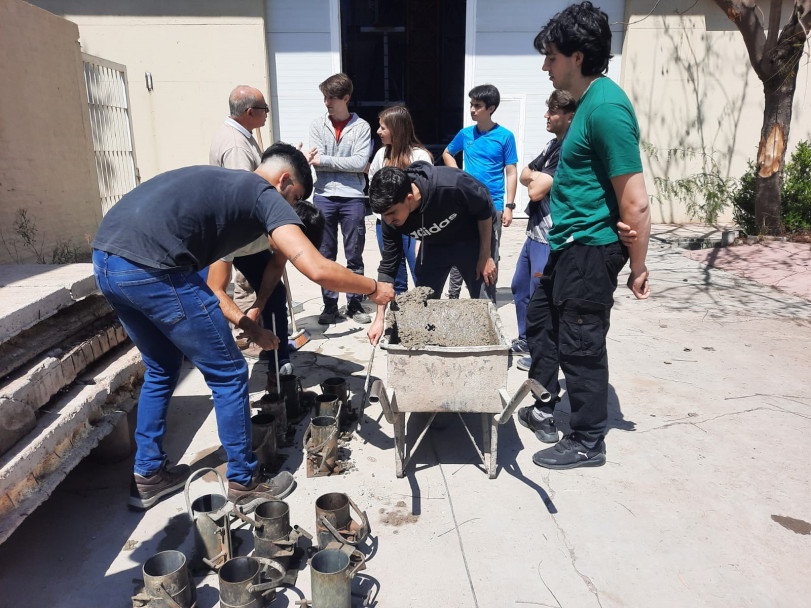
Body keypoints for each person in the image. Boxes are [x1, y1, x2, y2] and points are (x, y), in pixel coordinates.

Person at [92, 143, 394, 509]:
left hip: (107, 261)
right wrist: (374, 288)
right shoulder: (262, 195)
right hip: (153, 266)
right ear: (285, 181)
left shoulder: (225, 188)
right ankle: (244, 481)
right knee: (229, 372)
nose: (290, 209)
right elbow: (316, 269)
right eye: (294, 197)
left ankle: (149, 474)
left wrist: (251, 325)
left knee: (161, 367)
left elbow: (253, 273)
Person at [518, 1, 650, 471]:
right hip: (568, 244)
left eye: (551, 56)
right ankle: (546, 405)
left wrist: (638, 264)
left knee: (581, 342)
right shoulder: (587, 104)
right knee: (541, 323)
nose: (545, 66)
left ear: (577, 56)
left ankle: (588, 440)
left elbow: (634, 198)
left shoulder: (608, 108)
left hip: (592, 249)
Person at [209, 85, 293, 374]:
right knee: (270, 294)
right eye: (265, 110)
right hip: (242, 235)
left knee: (271, 291)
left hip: (243, 235)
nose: (267, 114)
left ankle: (274, 352)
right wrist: (270, 232)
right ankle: (277, 359)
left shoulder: (239, 136)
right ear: (250, 112)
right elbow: (246, 196)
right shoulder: (235, 146)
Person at [366, 162, 497, 345]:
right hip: (435, 243)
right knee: (423, 298)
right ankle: (429, 345)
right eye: (384, 215)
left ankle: (488, 349)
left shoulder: (452, 184)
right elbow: (389, 264)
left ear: (409, 198)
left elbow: (484, 211)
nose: (388, 220)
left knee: (483, 294)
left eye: (391, 213)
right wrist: (379, 318)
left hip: (472, 237)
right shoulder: (391, 219)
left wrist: (486, 255)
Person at [511, 90, 576, 363]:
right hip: (534, 233)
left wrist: (535, 178)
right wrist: (536, 177)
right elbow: (526, 174)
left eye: (553, 111)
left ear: (570, 116)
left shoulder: (569, 149)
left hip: (551, 235)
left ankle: (543, 350)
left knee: (541, 296)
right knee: (519, 287)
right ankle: (527, 339)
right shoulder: (551, 145)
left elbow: (535, 190)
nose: (546, 115)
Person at [307, 73, 373, 324]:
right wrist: (324, 163)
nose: (326, 102)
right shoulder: (317, 125)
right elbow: (320, 161)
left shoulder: (362, 127)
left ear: (346, 98)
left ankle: (355, 304)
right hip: (323, 195)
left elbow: (359, 163)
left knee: (354, 252)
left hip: (352, 197)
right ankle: (329, 305)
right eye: (324, 97)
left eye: (332, 98)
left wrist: (323, 161)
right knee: (325, 254)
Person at [442, 84, 518, 302]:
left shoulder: (505, 136)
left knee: (490, 253)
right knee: (460, 248)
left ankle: (488, 300)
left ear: (491, 108)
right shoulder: (466, 134)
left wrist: (509, 207)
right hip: (466, 204)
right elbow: (448, 152)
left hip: (493, 204)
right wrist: (458, 177)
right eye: (471, 105)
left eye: (478, 106)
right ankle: (453, 298)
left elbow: (511, 172)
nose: (472, 109)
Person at [368, 105, 433, 295]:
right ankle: (398, 314)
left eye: (383, 127)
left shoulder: (419, 156)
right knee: (395, 275)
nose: (378, 131)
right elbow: (373, 185)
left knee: (420, 272)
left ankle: (424, 313)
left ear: (396, 129)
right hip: (386, 224)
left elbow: (427, 191)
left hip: (414, 225)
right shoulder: (381, 155)